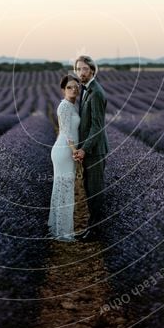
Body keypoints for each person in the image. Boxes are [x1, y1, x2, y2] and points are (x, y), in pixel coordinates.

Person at [72, 55, 109, 242]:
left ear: (92, 70)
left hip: (95, 151)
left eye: (85, 69)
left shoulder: (96, 92)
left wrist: (84, 149)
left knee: (95, 192)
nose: (81, 73)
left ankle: (97, 231)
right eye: (78, 69)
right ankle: (92, 228)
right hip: (89, 149)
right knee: (88, 189)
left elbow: (97, 127)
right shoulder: (87, 90)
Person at [48, 74, 81, 241]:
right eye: (69, 87)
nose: (73, 89)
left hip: (65, 150)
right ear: (63, 90)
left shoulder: (73, 106)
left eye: (76, 86)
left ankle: (58, 228)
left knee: (62, 189)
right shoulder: (65, 107)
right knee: (65, 190)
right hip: (65, 151)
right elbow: (67, 133)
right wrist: (75, 151)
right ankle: (63, 232)